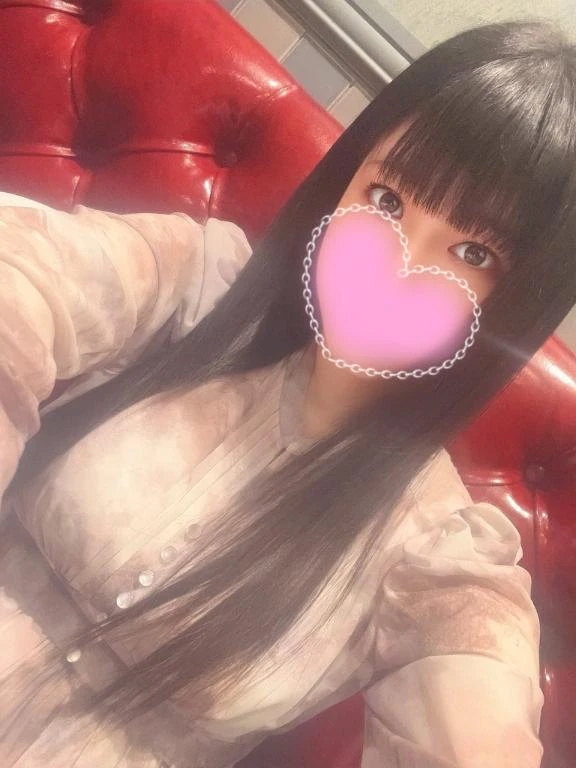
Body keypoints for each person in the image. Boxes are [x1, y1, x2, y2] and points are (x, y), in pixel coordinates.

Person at [1, 18, 575, 768]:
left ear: (515, 303)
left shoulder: (439, 555)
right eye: (387, 199)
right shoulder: (197, 289)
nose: (401, 262)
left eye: (472, 252)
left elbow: (475, 714)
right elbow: (25, 280)